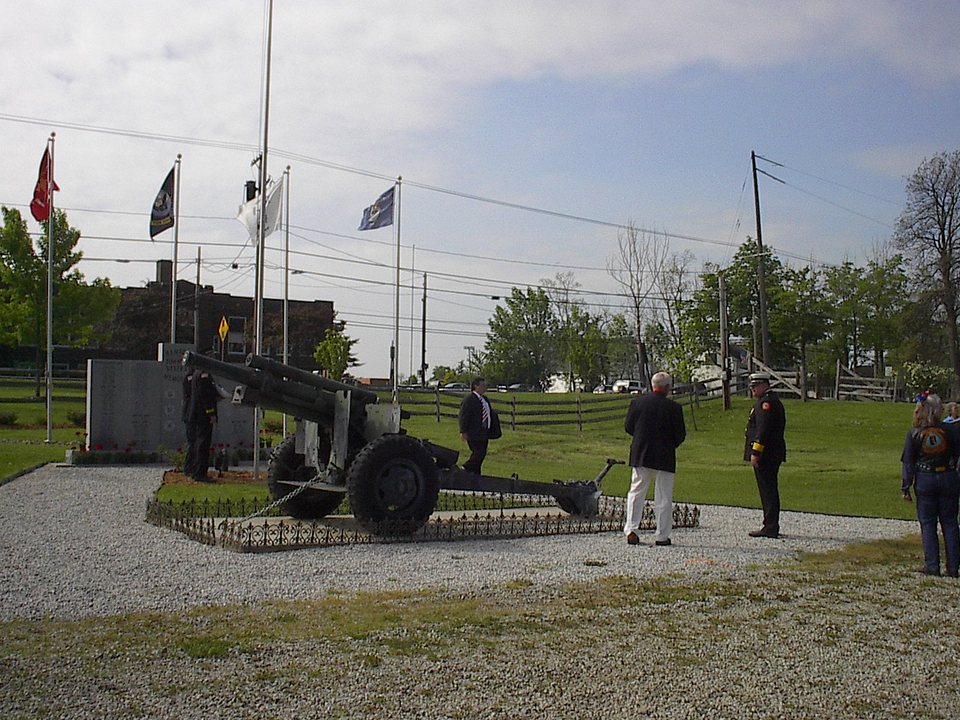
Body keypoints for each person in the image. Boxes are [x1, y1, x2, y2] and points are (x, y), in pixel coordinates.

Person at [623, 372, 686, 547]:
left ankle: (632, 529)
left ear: (652, 385)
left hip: (641, 451)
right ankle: (662, 535)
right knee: (664, 496)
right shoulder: (674, 408)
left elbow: (628, 427)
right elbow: (680, 435)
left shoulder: (637, 403)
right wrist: (670, 444)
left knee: (636, 491)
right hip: (665, 454)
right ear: (667, 387)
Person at [901, 392, 960, 577]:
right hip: (948, 476)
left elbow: (908, 463)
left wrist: (905, 486)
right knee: (950, 522)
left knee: (928, 523)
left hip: (925, 477)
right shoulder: (951, 431)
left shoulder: (914, 433)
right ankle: (953, 567)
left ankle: (932, 565)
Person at [743, 372, 786, 538]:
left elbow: (763, 431)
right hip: (771, 453)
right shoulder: (768, 401)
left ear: (764, 385)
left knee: (768, 490)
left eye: (755, 386)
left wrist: (756, 452)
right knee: (768, 489)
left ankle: (770, 526)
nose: (753, 390)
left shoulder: (766, 404)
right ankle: (770, 523)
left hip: (767, 454)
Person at [182, 368, 223, 482]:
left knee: (196, 444)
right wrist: (211, 413)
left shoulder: (195, 374)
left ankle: (193, 469)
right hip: (202, 415)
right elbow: (205, 395)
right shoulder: (202, 374)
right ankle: (198, 472)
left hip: (195, 414)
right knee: (201, 444)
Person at [458, 377, 500, 474]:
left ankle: (475, 475)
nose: (485, 387)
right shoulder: (469, 399)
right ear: (476, 386)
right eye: (482, 385)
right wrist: (463, 431)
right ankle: (465, 468)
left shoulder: (484, 400)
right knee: (478, 453)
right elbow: (463, 415)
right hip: (474, 432)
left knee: (482, 454)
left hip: (484, 432)